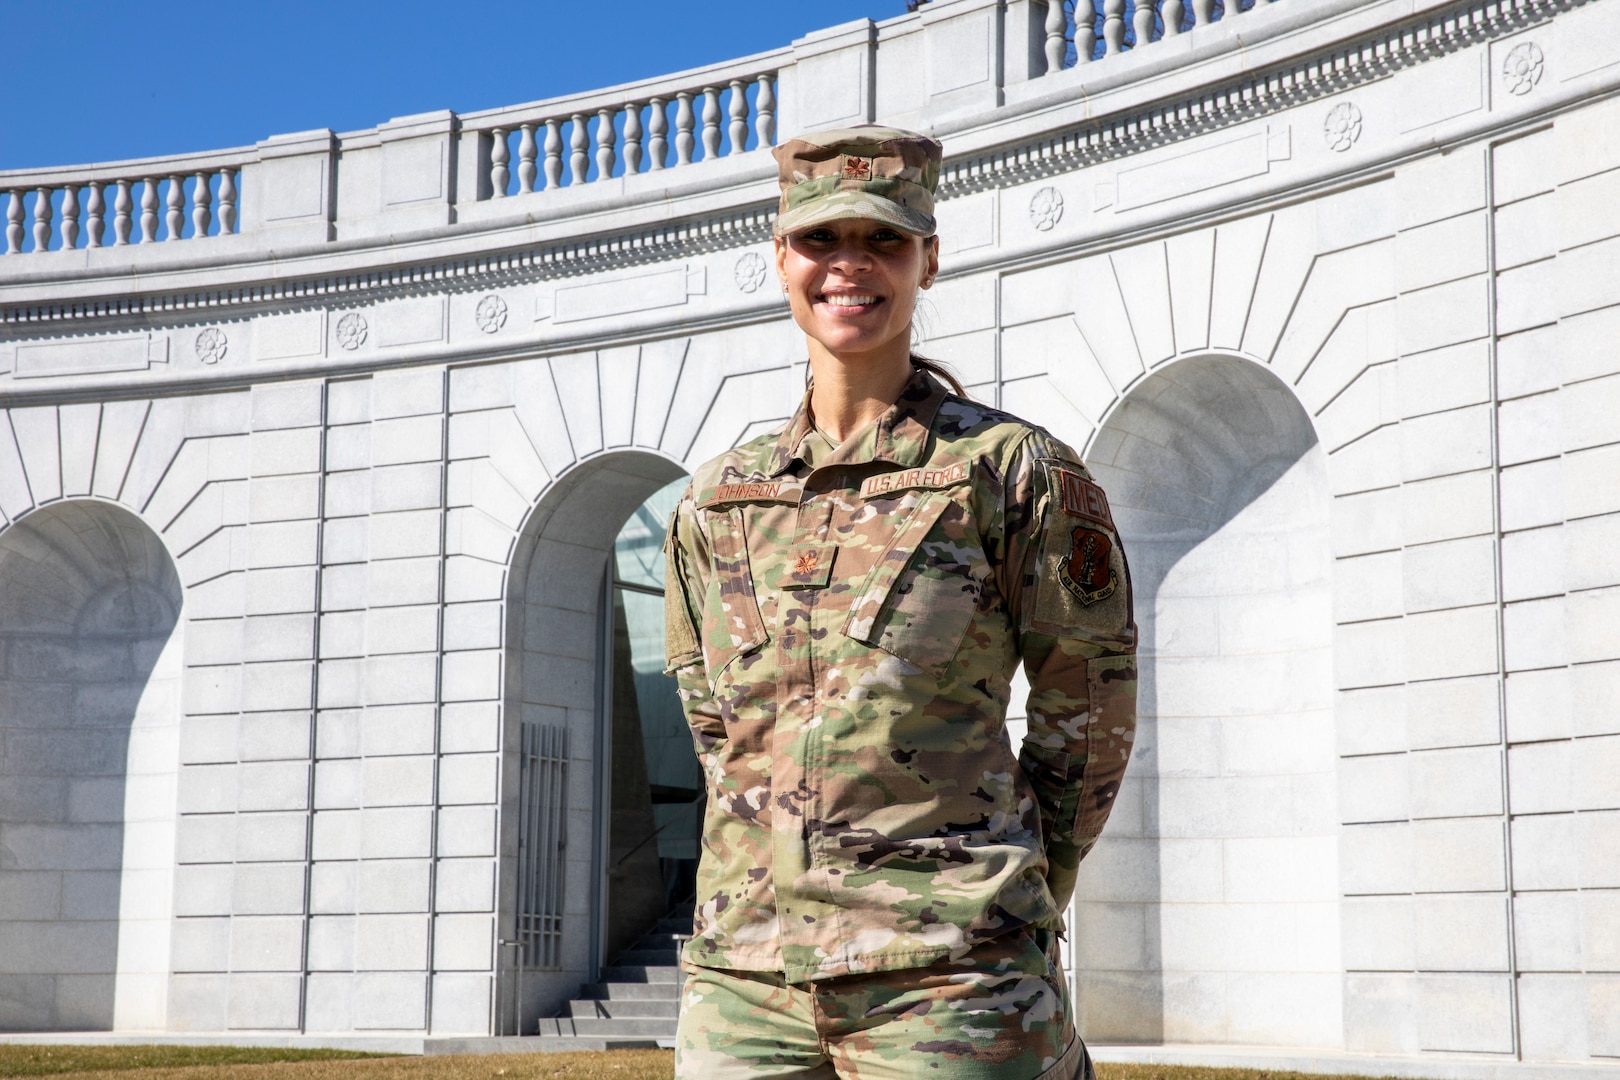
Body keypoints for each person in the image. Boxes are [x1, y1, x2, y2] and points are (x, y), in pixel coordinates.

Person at [663, 125, 1137, 1079]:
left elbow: (1086, 709)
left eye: (883, 241)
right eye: (821, 241)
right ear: (779, 256)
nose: (850, 267)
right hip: (745, 982)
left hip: (951, 982)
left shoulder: (1010, 471)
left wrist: (1015, 893)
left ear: (929, 259)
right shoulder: (719, 498)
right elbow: (715, 724)